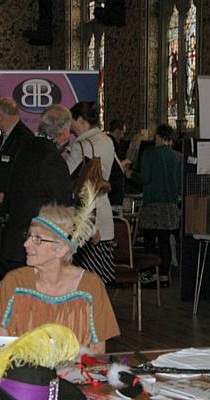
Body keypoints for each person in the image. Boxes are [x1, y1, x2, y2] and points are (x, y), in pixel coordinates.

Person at [0, 194, 120, 354]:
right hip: (24, 375)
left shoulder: (90, 287)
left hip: (75, 375)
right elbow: (2, 345)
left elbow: (97, 350)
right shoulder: (15, 282)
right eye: (28, 236)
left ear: (61, 249)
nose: (26, 244)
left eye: (37, 239)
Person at [0, 105, 73, 277]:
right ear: (65, 132)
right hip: (35, 247)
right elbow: (63, 204)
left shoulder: (25, 148)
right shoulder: (51, 158)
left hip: (12, 242)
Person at [69, 101, 116, 284]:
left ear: (80, 120)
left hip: (86, 216)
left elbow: (67, 178)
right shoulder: (107, 141)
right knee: (99, 280)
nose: (70, 127)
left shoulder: (81, 146)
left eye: (72, 121)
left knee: (82, 280)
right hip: (104, 212)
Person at [139, 124, 182, 288]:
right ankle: (164, 277)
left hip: (152, 204)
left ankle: (148, 276)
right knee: (165, 241)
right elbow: (179, 185)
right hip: (170, 205)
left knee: (149, 241)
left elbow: (145, 178)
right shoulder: (175, 157)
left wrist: (130, 174)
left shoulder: (149, 154)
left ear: (158, 136)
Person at [0, 97, 33, 231]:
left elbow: (26, 174)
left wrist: (9, 196)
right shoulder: (5, 135)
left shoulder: (24, 138)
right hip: (0, 209)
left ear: (0, 116)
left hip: (12, 210)